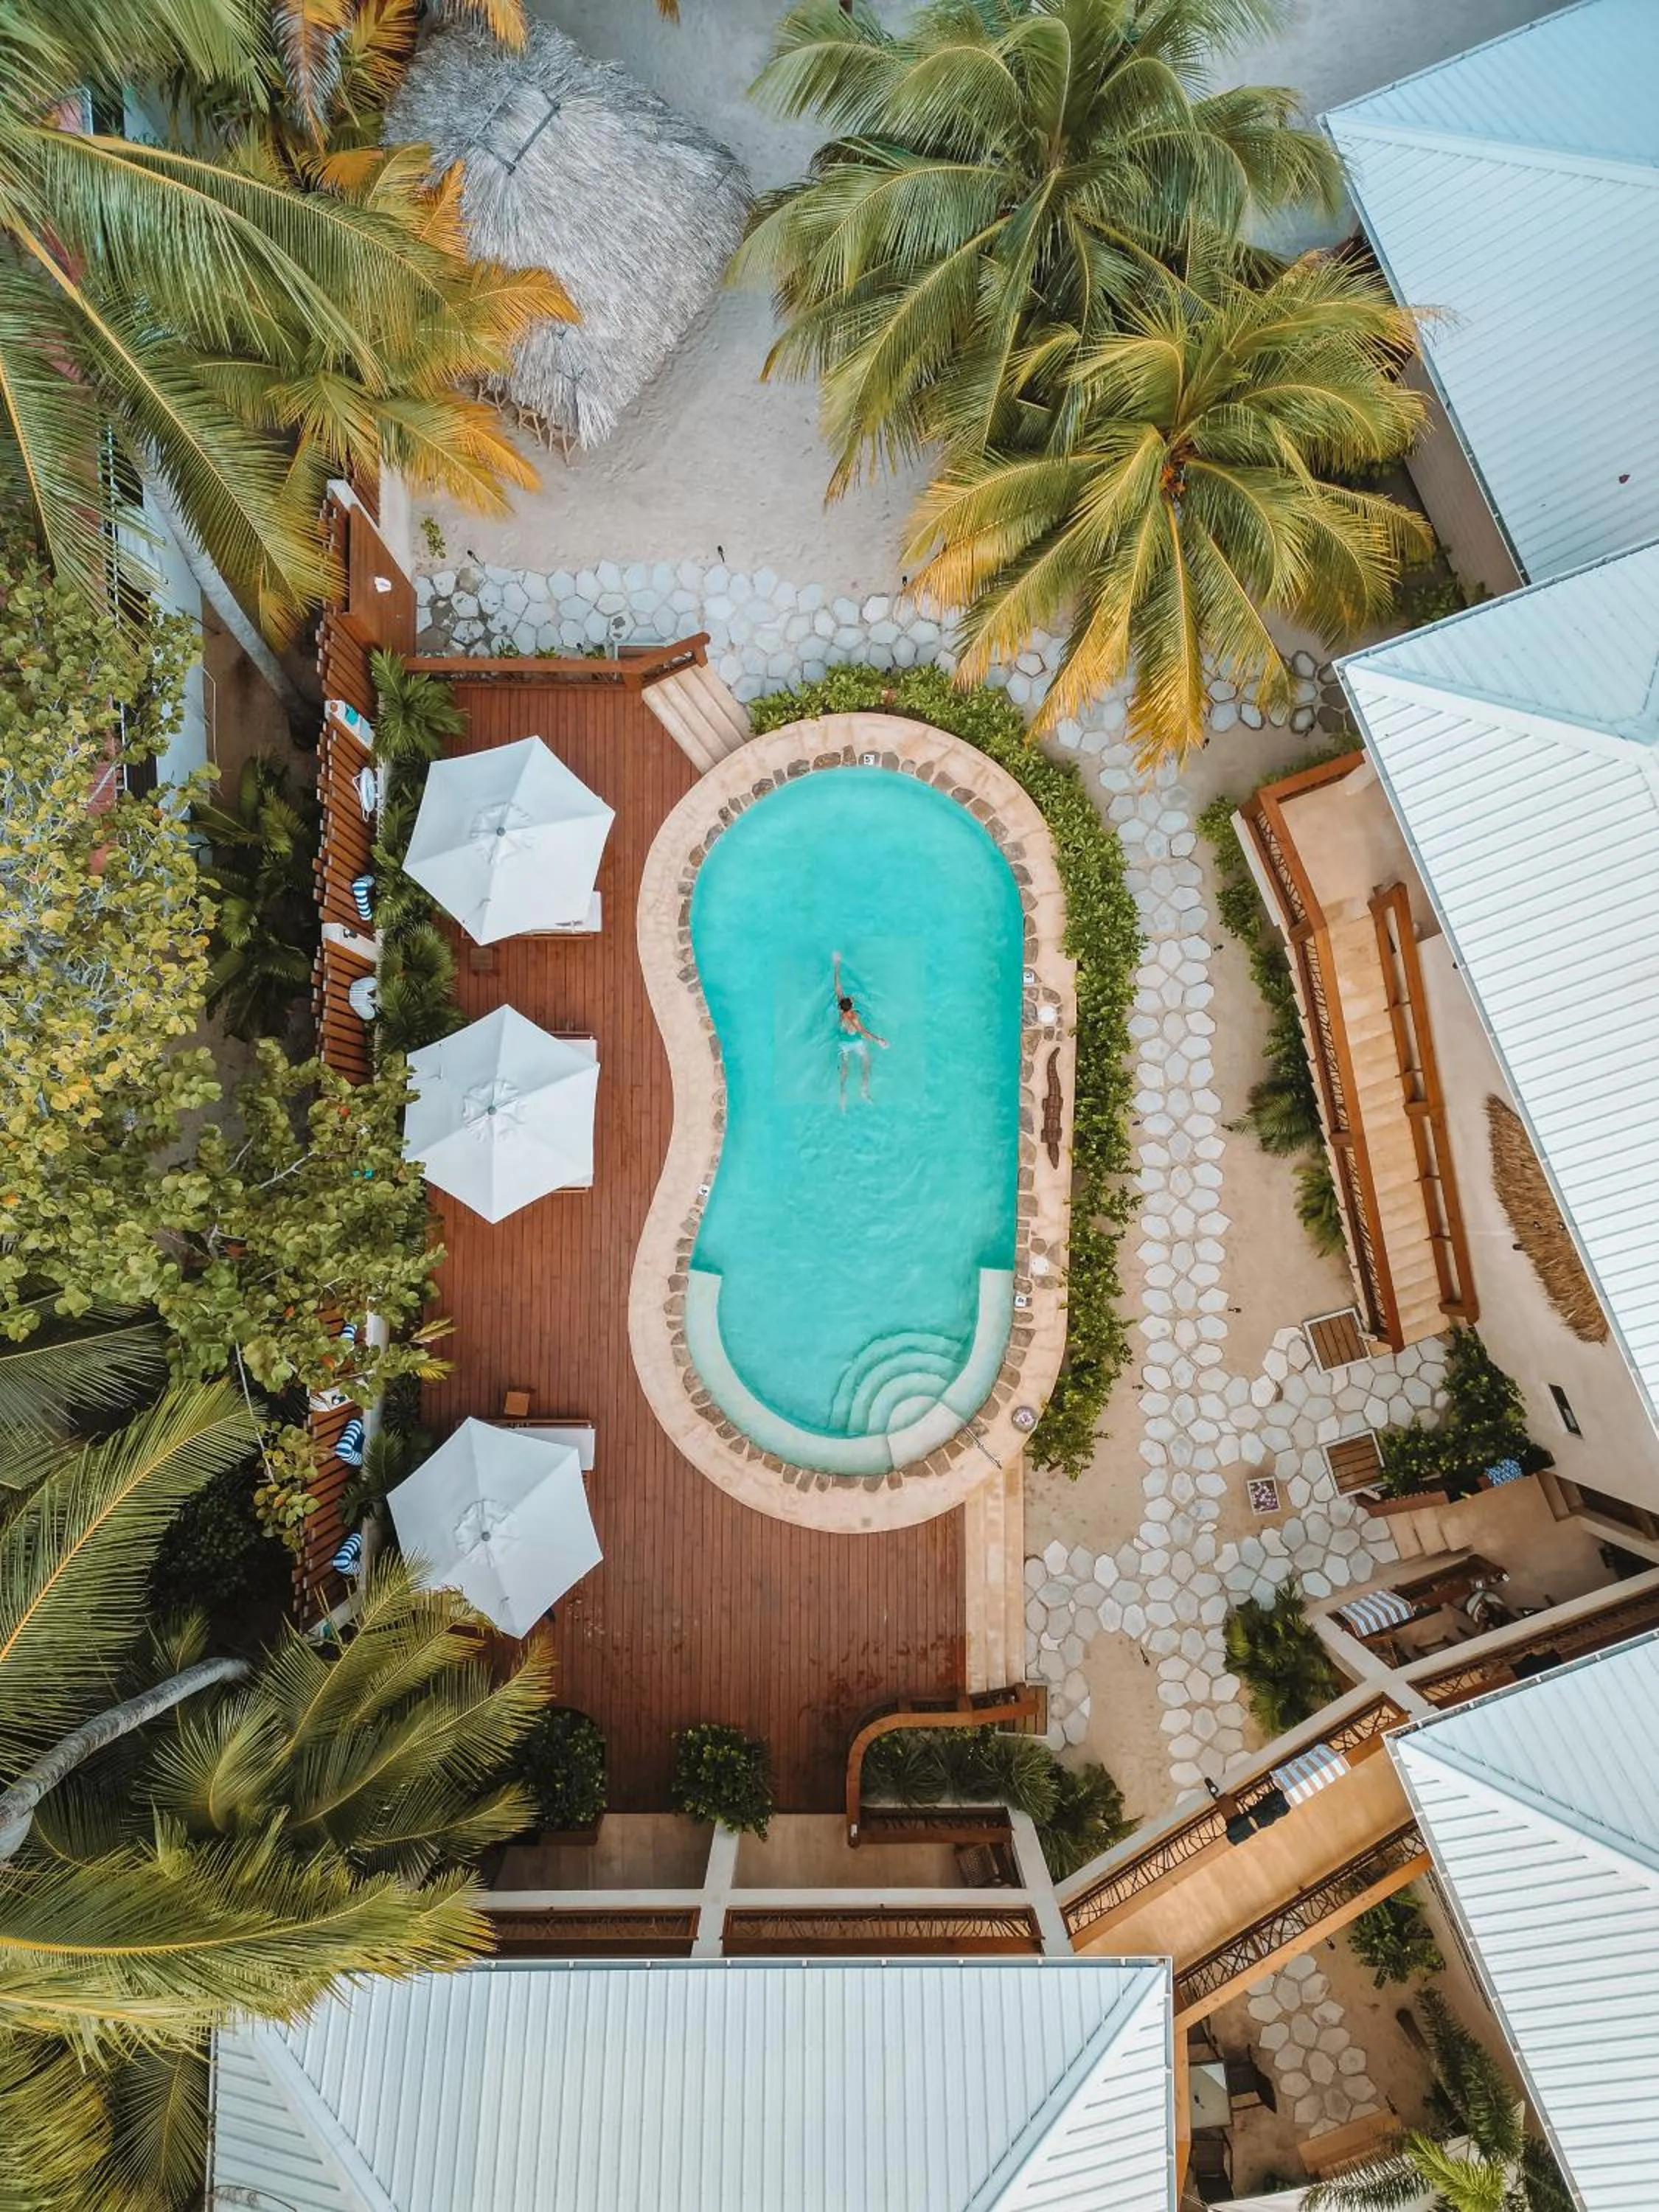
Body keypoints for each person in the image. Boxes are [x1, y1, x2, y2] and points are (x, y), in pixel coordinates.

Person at [832, 951, 888, 1106]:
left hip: (843, 1043)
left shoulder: (840, 1010)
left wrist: (837, 965)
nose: (850, 998)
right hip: (855, 1042)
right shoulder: (854, 1017)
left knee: (845, 1067)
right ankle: (863, 1090)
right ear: (852, 1007)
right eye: (851, 999)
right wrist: (879, 1041)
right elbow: (863, 1032)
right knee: (866, 1062)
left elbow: (837, 986)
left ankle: (842, 1092)